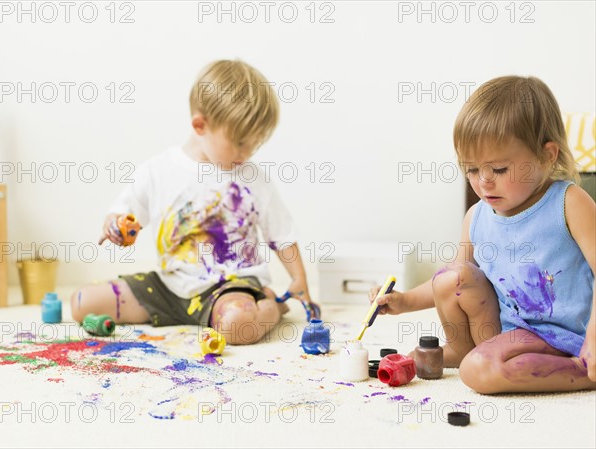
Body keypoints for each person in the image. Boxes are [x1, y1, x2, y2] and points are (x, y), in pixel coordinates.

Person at [370, 76, 595, 393]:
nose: (484, 182)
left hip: (562, 335)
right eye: (472, 170)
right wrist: (404, 301)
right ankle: (462, 348)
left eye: (499, 170)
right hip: (506, 330)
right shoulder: (477, 216)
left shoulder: (568, 203)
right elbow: (446, 282)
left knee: (478, 371)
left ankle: (584, 372)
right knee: (455, 276)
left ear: (547, 156)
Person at [71, 59, 318, 345]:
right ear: (200, 125)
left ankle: (273, 306)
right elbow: (125, 211)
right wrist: (116, 225)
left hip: (230, 287)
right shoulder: (159, 170)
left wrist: (298, 278)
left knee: (237, 326)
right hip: (170, 287)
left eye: (255, 144)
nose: (248, 152)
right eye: (240, 143)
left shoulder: (252, 178)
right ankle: (192, 314)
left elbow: (281, 235)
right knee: (81, 302)